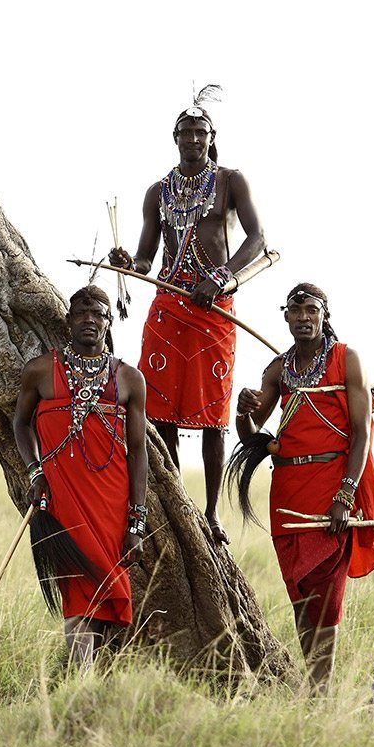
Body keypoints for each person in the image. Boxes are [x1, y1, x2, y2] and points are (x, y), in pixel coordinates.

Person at [109, 90, 266, 546]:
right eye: (186, 132)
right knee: (161, 412)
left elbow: (257, 239)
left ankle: (212, 512)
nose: (193, 138)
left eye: (201, 132)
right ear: (174, 138)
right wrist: (128, 262)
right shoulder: (158, 192)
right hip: (169, 306)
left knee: (214, 413)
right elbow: (146, 258)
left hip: (212, 308)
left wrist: (221, 278)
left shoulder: (230, 182)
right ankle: (179, 501)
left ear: (212, 138)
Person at [226, 283, 374, 693]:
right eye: (295, 310)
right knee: (298, 588)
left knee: (326, 593)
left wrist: (345, 495)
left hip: (331, 490)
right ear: (285, 316)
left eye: (311, 310)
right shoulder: (278, 369)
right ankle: (316, 685)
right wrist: (243, 411)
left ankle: (320, 690)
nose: (303, 317)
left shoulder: (347, 359)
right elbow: (252, 434)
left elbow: (361, 433)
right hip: (287, 492)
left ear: (324, 315)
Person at [12, 285, 149, 668]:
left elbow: (138, 452)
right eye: (82, 313)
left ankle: (90, 677)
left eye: (99, 314)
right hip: (63, 499)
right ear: (68, 320)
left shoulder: (129, 379)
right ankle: (82, 679)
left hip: (112, 504)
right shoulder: (40, 371)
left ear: (109, 321)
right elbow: (21, 424)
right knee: (76, 589)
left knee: (107, 588)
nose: (90, 319)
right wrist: (35, 471)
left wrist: (137, 521)